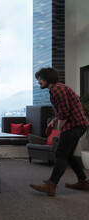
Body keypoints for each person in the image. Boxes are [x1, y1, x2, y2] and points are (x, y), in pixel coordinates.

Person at [30, 67, 89, 196]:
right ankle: (83, 181)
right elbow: (65, 109)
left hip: (74, 126)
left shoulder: (57, 89)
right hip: (77, 125)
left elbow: (65, 113)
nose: (38, 82)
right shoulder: (57, 89)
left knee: (61, 154)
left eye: (40, 79)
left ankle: (51, 185)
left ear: (47, 78)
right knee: (68, 155)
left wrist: (59, 128)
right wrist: (55, 120)